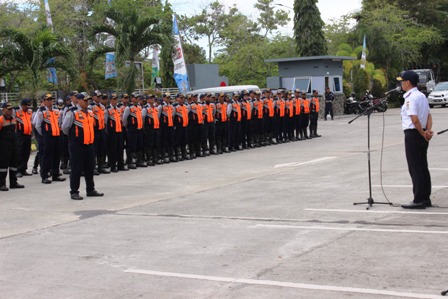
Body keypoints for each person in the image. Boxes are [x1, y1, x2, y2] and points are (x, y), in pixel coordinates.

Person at [398, 70, 433, 209]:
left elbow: (414, 119)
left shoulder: (411, 97)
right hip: (422, 133)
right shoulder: (422, 96)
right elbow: (429, 116)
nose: (401, 84)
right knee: (423, 166)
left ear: (408, 82)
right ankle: (425, 197)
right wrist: (427, 131)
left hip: (413, 134)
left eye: (402, 81)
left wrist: (422, 132)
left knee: (415, 167)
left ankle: (418, 199)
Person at [62, 93, 103, 200]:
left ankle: (90, 189)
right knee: (76, 169)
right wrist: (75, 138)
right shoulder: (72, 113)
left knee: (90, 168)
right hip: (77, 145)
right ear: (78, 101)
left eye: (87, 101)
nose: (86, 102)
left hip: (89, 144)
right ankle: (74, 191)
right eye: (84, 100)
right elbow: (65, 128)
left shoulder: (90, 112)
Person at [35, 94, 66, 184]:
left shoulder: (57, 111)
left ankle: (55, 174)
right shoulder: (41, 111)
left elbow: (60, 123)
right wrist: (44, 135)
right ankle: (44, 175)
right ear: (44, 101)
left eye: (51, 100)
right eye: (47, 100)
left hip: (57, 136)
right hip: (48, 137)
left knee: (56, 156)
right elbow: (38, 126)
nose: (49, 101)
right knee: (46, 156)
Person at [0, 102, 25, 191]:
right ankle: (1, 184)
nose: (11, 111)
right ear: (3, 110)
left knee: (14, 165)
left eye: (11, 109)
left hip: (13, 146)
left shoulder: (14, 119)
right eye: (9, 109)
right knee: (3, 166)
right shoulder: (1, 120)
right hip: (3, 147)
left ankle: (13, 183)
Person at [15, 99, 33, 177]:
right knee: (19, 152)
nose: (27, 107)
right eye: (26, 105)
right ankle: (18, 170)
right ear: (22, 105)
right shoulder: (17, 112)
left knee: (26, 152)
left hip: (28, 134)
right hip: (20, 134)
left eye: (28, 106)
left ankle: (23, 169)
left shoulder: (29, 112)